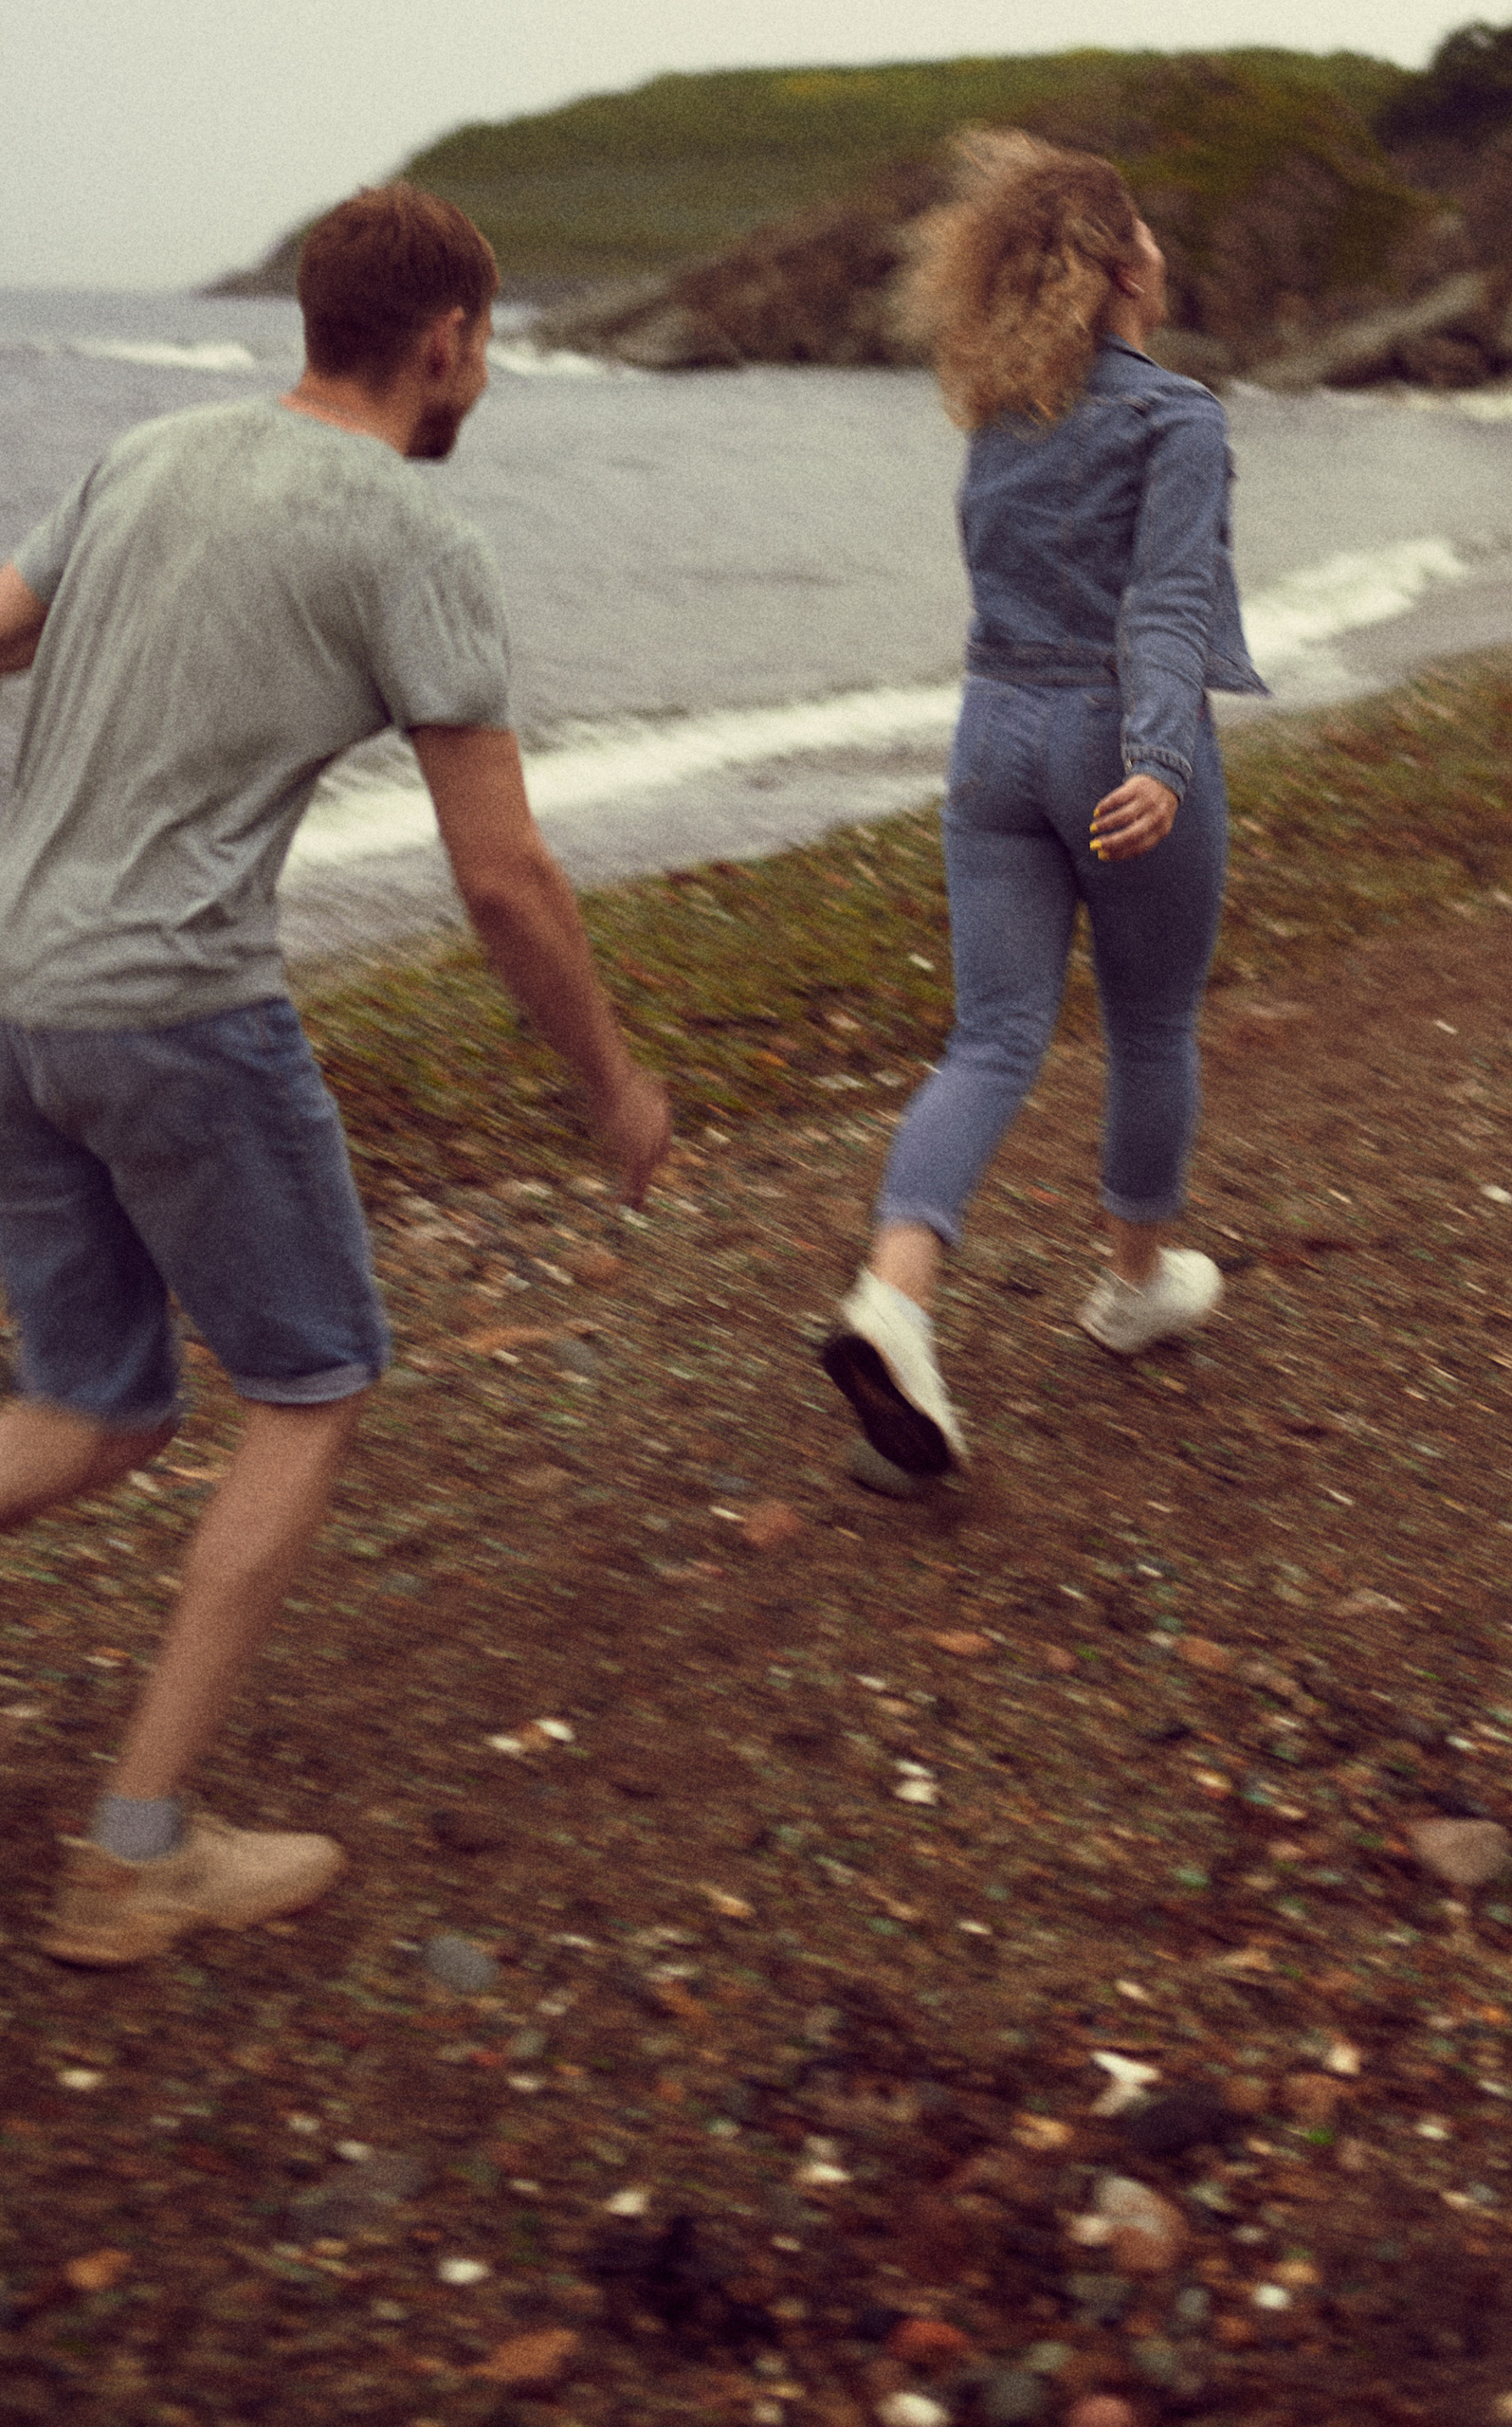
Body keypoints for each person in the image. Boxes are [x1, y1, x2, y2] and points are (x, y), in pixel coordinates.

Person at [0, 184, 670, 1965]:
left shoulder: (146, 456)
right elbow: (503, 875)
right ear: (444, 341)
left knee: (97, 1413)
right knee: (311, 1384)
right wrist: (609, 1082)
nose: (484, 378)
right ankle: (134, 1855)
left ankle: (145, 1837)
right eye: (486, 347)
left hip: (11, 991)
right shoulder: (409, 534)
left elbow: (0, 624)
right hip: (170, 1010)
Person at [820, 132, 1266, 1477]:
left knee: (993, 1037)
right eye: (1153, 237)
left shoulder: (999, 423)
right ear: (1127, 264)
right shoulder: (1175, 417)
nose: (1163, 255)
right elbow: (1169, 601)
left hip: (991, 739)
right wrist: (1157, 758)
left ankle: (893, 1300)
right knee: (1147, 1021)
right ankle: (1134, 1288)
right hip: (1110, 740)